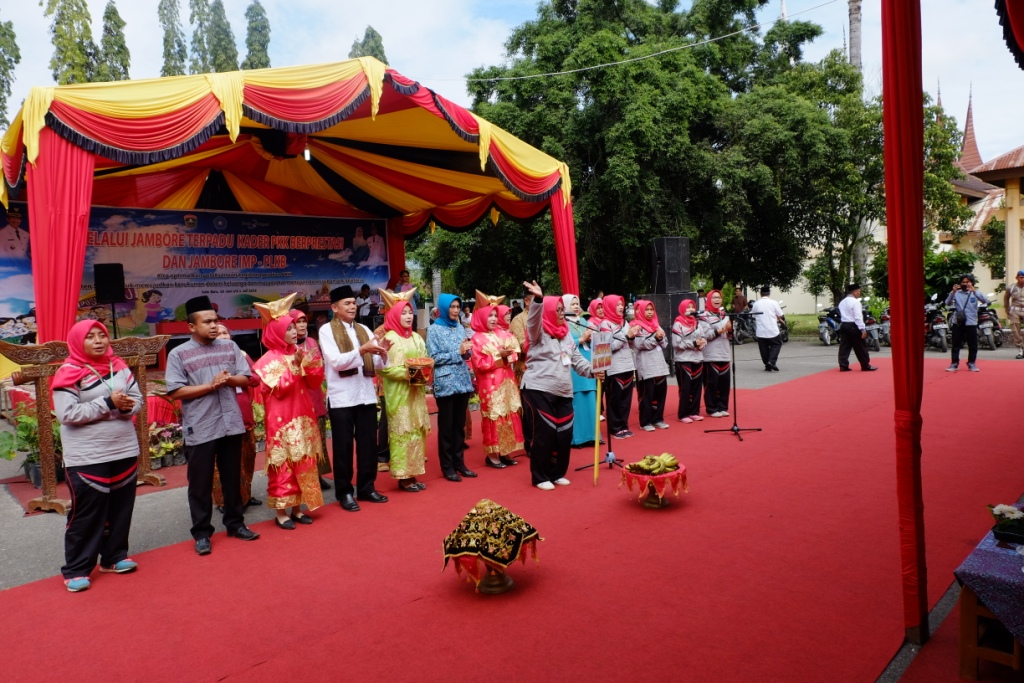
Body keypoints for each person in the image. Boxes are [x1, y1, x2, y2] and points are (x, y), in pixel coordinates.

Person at [52, 320, 142, 592]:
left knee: (120, 508)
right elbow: (67, 414)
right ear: (78, 342)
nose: (98, 341)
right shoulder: (69, 372)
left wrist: (127, 407)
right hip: (87, 455)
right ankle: (77, 568)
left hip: (124, 448)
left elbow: (137, 399)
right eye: (90, 337)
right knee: (87, 513)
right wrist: (108, 404)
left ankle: (113, 557)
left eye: (101, 335)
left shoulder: (120, 366)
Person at [166, 296, 260, 556]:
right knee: (200, 484)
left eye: (216, 321)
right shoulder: (178, 354)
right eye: (207, 322)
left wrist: (227, 380)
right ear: (191, 327)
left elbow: (247, 376)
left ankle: (235, 523)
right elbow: (175, 391)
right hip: (201, 425)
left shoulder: (230, 348)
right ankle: (202, 533)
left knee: (232, 478)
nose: (214, 326)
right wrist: (211, 385)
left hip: (231, 422)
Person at [251, 295, 325, 529]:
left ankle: (298, 507)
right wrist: (295, 367)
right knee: (283, 464)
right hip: (282, 421)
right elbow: (280, 389)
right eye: (289, 328)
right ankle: (281, 511)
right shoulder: (266, 361)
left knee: (304, 460)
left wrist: (309, 366)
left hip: (304, 416)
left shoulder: (299, 353)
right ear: (275, 332)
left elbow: (314, 383)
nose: (294, 331)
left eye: (295, 327)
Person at [519, 280, 599, 490]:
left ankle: (557, 473)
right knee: (545, 433)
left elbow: (577, 361)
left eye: (563, 310)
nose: (562, 313)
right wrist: (538, 300)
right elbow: (533, 321)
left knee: (564, 433)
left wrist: (593, 371)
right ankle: (540, 476)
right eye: (558, 309)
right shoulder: (538, 333)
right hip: (538, 389)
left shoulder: (567, 336)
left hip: (563, 391)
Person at [319, 285, 391, 511]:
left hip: (366, 395)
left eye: (353, 303)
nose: (352, 306)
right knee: (343, 447)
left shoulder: (364, 330)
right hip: (342, 398)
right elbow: (337, 362)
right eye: (347, 303)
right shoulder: (326, 331)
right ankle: (345, 493)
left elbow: (376, 365)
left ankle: (367, 487)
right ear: (334, 307)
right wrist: (363, 350)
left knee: (368, 445)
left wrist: (383, 352)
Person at [377, 288, 430, 492]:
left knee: (416, 432)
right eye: (403, 313)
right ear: (393, 316)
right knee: (402, 433)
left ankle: (413, 472)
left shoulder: (416, 337)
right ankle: (402, 476)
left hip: (416, 393)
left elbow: (424, 358)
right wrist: (411, 372)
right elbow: (386, 369)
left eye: (410, 313)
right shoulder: (390, 338)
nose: (408, 317)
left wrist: (423, 370)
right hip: (399, 396)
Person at [471, 292, 526, 468]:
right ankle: (493, 454)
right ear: (481, 316)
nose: (494, 319)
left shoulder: (503, 334)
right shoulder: (476, 339)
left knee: (509, 413)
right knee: (494, 417)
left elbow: (516, 353)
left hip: (507, 382)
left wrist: (507, 357)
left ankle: (506, 451)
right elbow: (479, 364)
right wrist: (499, 356)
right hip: (490, 385)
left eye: (495, 315)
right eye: (490, 315)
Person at [427, 292, 477, 482]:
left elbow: (466, 354)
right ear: (443, 308)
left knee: (459, 426)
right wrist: (458, 353)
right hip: (446, 382)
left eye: (458, 307)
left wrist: (466, 352)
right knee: (446, 427)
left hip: (462, 382)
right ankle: (447, 466)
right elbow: (434, 358)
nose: (456, 310)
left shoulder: (460, 328)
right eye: (452, 307)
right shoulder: (434, 330)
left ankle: (459, 463)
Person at [211, 324, 261, 510]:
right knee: (223, 462)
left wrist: (239, 376)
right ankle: (224, 500)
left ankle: (245, 495)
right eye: (218, 333)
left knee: (247, 457)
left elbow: (256, 379)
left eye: (226, 332)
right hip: (220, 416)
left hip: (243, 412)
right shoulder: (209, 358)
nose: (223, 336)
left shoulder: (241, 354)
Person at [291, 307, 332, 490]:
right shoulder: (287, 345)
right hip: (298, 397)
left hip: (314, 394)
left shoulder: (311, 342)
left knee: (319, 437)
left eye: (303, 321)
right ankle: (303, 476)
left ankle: (318, 474)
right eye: (296, 322)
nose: (301, 325)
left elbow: (320, 365)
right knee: (302, 438)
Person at [600, 294, 636, 439]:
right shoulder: (605, 324)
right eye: (618, 305)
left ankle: (624, 425)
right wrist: (626, 336)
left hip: (628, 364)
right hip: (614, 368)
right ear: (609, 306)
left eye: (622, 304)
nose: (621, 307)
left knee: (626, 399)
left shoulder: (624, 323)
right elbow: (608, 347)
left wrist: (632, 337)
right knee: (614, 399)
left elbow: (631, 344)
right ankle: (615, 428)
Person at [564, 294, 598, 447]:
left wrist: (592, 338)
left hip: (588, 361)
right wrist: (581, 339)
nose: (576, 307)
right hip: (574, 365)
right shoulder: (563, 324)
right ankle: (577, 438)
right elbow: (565, 346)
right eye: (572, 304)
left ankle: (593, 435)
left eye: (577, 303)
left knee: (590, 398)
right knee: (577, 400)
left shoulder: (584, 321)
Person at [631, 299, 670, 431]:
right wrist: (656, 338)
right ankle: (645, 422)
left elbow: (665, 343)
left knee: (660, 394)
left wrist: (659, 338)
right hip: (646, 366)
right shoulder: (636, 326)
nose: (649, 312)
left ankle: (658, 418)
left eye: (651, 309)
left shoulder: (656, 324)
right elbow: (640, 344)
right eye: (646, 310)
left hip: (659, 365)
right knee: (646, 396)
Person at [672, 298, 707, 423]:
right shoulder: (678, 323)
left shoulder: (697, 323)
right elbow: (676, 343)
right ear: (682, 309)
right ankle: (683, 414)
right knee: (685, 387)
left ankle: (694, 412)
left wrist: (702, 343)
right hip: (683, 360)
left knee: (697, 387)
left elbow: (703, 337)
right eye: (688, 307)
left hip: (698, 358)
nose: (691, 309)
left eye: (692, 307)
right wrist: (693, 343)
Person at [699, 290, 733, 417]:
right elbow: (706, 335)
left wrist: (730, 331)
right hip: (710, 354)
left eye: (719, 297)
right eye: (714, 297)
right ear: (708, 299)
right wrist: (722, 330)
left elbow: (729, 336)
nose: (717, 300)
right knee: (711, 383)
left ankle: (723, 406)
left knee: (724, 383)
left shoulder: (725, 315)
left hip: (725, 353)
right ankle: (712, 408)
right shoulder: (704, 316)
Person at [945, 274, 989, 372]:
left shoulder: (975, 292)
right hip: (958, 321)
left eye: (967, 282)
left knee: (972, 344)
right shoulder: (956, 293)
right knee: (956, 343)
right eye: (963, 282)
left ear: (972, 283)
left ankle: (971, 363)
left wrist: (974, 291)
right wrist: (953, 292)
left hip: (971, 321)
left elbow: (985, 300)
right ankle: (954, 363)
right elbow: (947, 303)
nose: (965, 284)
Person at [837, 283, 877, 372]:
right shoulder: (855, 302)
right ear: (854, 292)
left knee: (844, 346)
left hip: (844, 325)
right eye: (859, 291)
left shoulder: (842, 302)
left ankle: (843, 365)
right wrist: (862, 329)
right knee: (861, 346)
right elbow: (858, 317)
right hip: (853, 326)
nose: (859, 293)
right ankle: (865, 365)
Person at [751, 286, 785, 372]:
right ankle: (771, 361)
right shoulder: (774, 303)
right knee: (777, 344)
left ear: (760, 294)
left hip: (761, 331)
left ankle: (767, 365)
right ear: (769, 293)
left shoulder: (756, 304)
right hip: (772, 330)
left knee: (763, 348)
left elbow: (753, 316)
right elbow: (780, 315)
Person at [509, 291, 534, 385]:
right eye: (536, 301)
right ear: (527, 301)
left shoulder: (543, 317)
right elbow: (522, 346)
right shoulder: (518, 320)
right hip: (526, 369)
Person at [1003, 269, 1024, 359]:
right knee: (1015, 329)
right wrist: (1007, 310)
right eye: (1021, 277)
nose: (1023, 279)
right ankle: (1020, 349)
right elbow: (1006, 298)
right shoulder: (1011, 287)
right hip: (1015, 310)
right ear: (1017, 278)